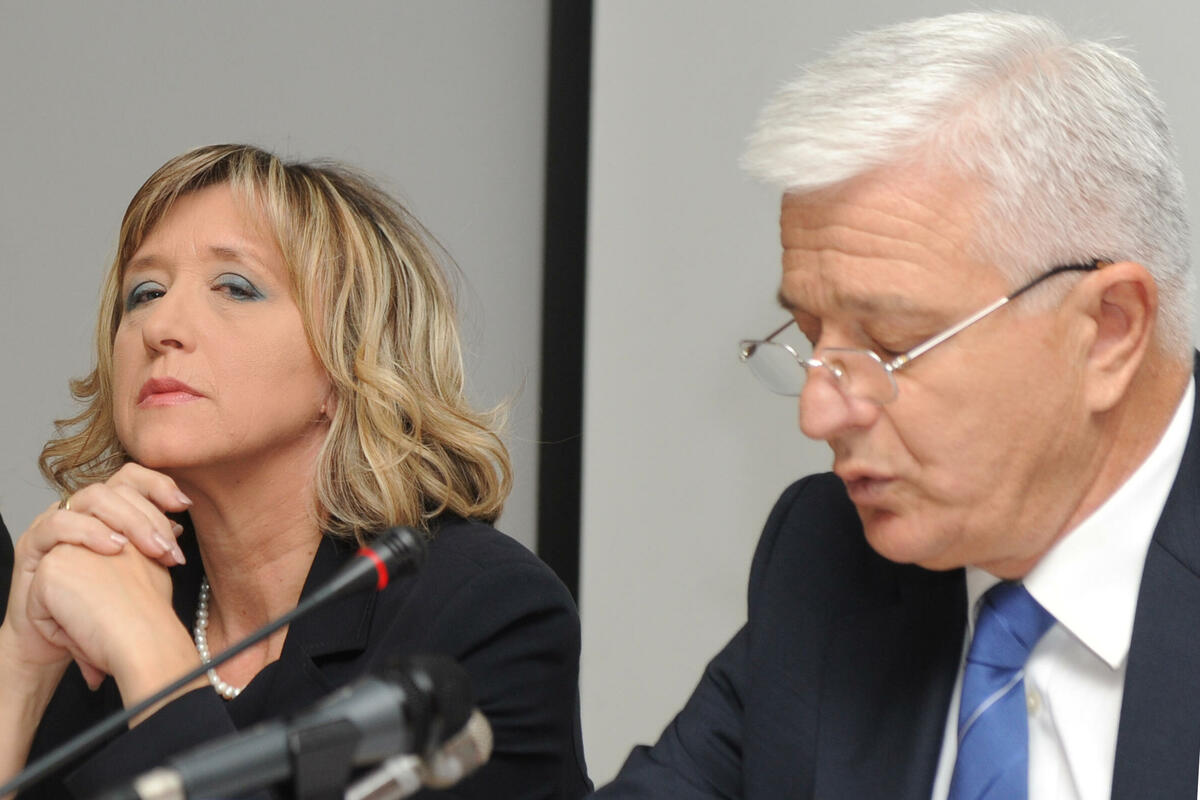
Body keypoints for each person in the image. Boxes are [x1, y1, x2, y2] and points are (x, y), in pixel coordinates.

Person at [595, 11, 1198, 800]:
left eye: (889, 344)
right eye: (811, 336)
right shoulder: (830, 561)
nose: (817, 415)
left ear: (1108, 332)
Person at [0, 145, 591, 799]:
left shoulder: (484, 611)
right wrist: (21, 664)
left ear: (349, 359)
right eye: (145, 293)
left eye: (234, 287)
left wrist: (149, 652)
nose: (159, 326)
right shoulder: (101, 588)